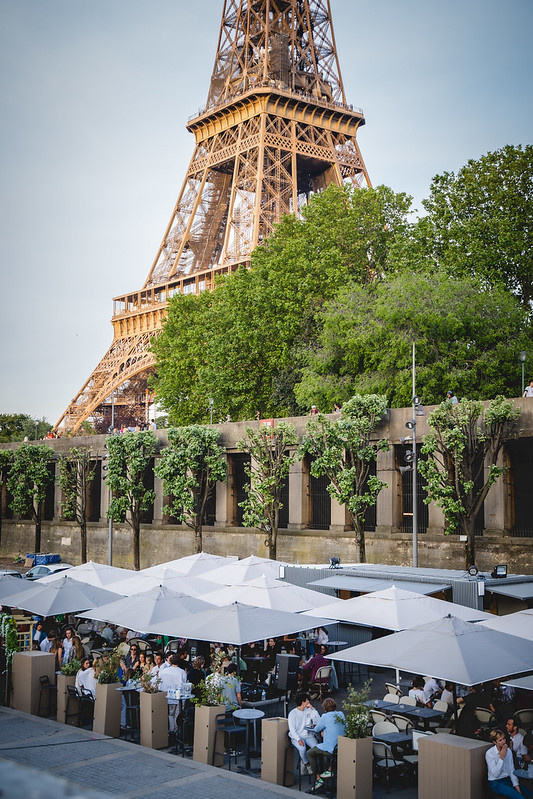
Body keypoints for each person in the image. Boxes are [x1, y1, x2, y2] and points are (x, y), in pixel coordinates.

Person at [307, 697, 346, 792]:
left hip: (331, 748)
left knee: (310, 752)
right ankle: (329, 769)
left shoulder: (325, 717)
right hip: (341, 746)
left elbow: (316, 729)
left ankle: (317, 778)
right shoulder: (341, 714)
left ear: (324, 708)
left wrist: (323, 729)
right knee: (325, 746)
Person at [486, 728, 532, 797]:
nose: (504, 742)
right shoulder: (490, 753)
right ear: (494, 742)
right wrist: (501, 758)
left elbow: (511, 770)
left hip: (508, 779)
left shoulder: (508, 751)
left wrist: (517, 787)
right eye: (500, 740)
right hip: (496, 782)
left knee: (530, 794)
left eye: (504, 739)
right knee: (521, 798)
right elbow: (495, 774)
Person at [288, 692, 320, 775]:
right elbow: (292, 729)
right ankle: (307, 764)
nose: (309, 702)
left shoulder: (309, 710)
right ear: (303, 702)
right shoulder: (292, 713)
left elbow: (318, 721)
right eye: (307, 700)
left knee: (316, 748)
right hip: (297, 736)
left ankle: (306, 762)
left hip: (309, 735)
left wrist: (313, 709)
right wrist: (298, 739)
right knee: (302, 748)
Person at [159, 655, 187, 734]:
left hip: (168, 696)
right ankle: (176, 731)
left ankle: (172, 730)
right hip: (178, 697)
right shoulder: (182, 672)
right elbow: (184, 684)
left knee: (170, 714)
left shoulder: (164, 671)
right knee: (177, 715)